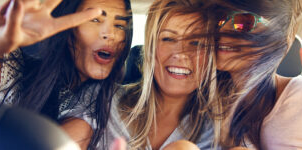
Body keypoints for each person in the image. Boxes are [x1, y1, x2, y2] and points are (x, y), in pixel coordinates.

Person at [61, 0, 219, 149]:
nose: (180, 54)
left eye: (196, 42)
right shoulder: (102, 98)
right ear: (150, 49)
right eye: (168, 38)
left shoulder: (222, 131)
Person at [0, 0, 133, 149]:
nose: (110, 34)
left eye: (120, 25)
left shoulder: (115, 105)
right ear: (66, 25)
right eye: (95, 20)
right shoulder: (14, 73)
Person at [204, 0, 302, 149]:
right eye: (220, 20)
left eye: (243, 22)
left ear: (281, 39)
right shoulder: (206, 108)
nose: (222, 30)